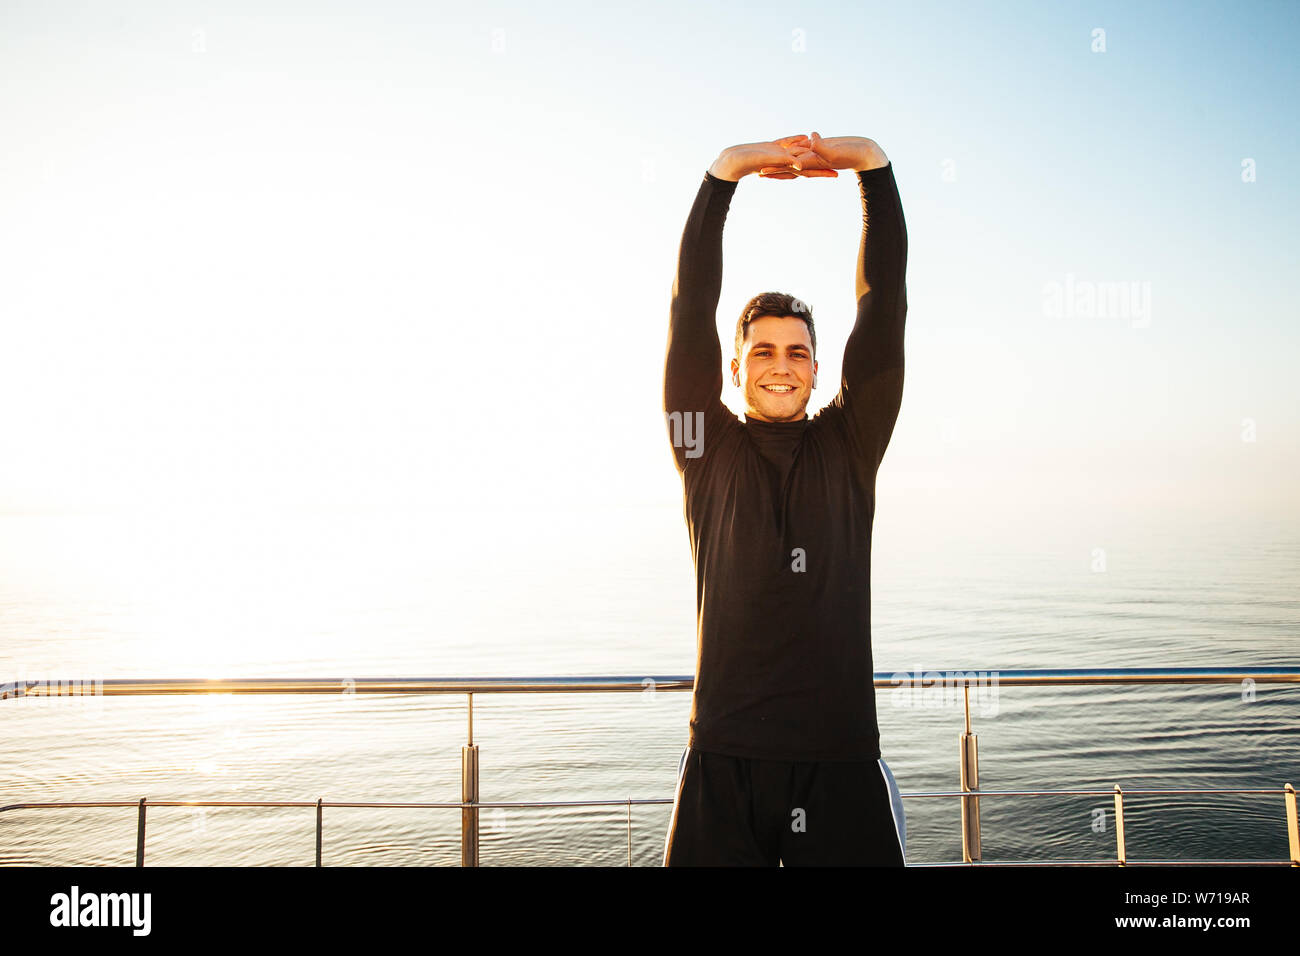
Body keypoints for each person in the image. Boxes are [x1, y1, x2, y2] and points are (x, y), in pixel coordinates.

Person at [661, 132, 909, 866]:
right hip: (723, 756)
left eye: (797, 351)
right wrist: (725, 174)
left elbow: (884, 305)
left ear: (817, 367)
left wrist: (871, 166)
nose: (781, 365)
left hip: (839, 758)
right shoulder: (703, 446)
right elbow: (689, 308)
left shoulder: (851, 443)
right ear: (734, 367)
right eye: (763, 351)